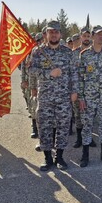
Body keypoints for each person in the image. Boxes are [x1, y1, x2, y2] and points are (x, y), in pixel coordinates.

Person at [29, 20, 78, 171]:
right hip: (45, 96)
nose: (54, 34)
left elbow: (73, 73)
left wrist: (74, 91)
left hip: (63, 96)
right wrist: (48, 73)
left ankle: (60, 157)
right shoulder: (38, 51)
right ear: (46, 34)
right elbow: (31, 71)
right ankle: (47, 158)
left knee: (63, 126)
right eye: (51, 32)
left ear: (60, 34)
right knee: (44, 126)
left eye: (57, 32)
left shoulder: (67, 52)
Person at [78, 25, 102, 167]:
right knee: (87, 125)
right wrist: (81, 98)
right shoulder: (84, 55)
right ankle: (85, 154)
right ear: (93, 36)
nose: (101, 37)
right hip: (89, 97)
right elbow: (80, 78)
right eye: (99, 34)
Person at [71, 27, 96, 148]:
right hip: (77, 89)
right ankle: (79, 138)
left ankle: (89, 138)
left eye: (88, 36)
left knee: (90, 116)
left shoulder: (94, 53)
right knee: (78, 115)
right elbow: (71, 72)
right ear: (80, 37)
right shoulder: (74, 53)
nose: (86, 38)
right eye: (84, 36)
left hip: (92, 91)